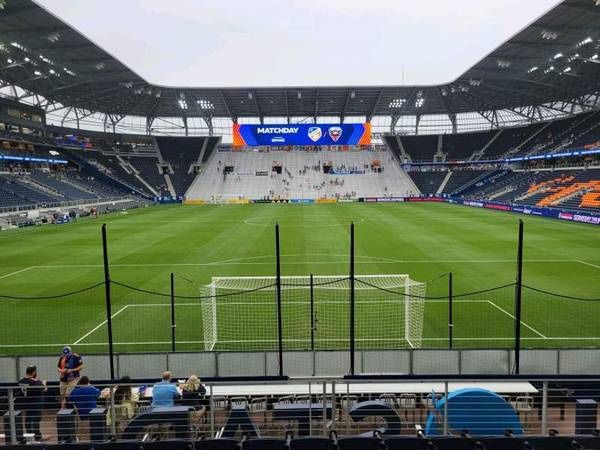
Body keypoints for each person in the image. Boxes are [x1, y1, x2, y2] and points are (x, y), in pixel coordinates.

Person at [17, 365, 47, 442]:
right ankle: (37, 437)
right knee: (35, 420)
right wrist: (44, 383)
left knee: (28, 419)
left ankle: (29, 435)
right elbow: (44, 389)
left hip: (27, 403)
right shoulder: (36, 382)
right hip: (36, 404)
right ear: (34, 372)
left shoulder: (21, 381)